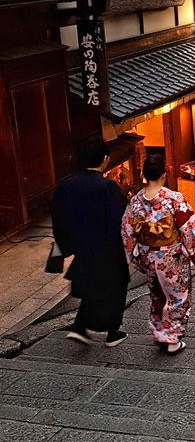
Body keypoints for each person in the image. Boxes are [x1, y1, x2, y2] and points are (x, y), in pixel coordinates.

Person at [121, 154, 195, 354]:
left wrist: (133, 257)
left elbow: (127, 232)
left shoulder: (135, 202)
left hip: (148, 255)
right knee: (177, 296)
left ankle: (160, 333)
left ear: (144, 174)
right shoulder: (174, 199)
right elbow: (190, 228)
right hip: (172, 256)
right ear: (164, 174)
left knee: (157, 295)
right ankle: (172, 339)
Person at [50, 135, 129, 347]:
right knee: (115, 287)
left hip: (81, 247)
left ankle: (81, 327)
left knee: (91, 287)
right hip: (107, 247)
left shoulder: (65, 187)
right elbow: (119, 221)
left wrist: (67, 243)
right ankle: (112, 332)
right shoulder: (108, 188)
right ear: (104, 159)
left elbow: (58, 218)